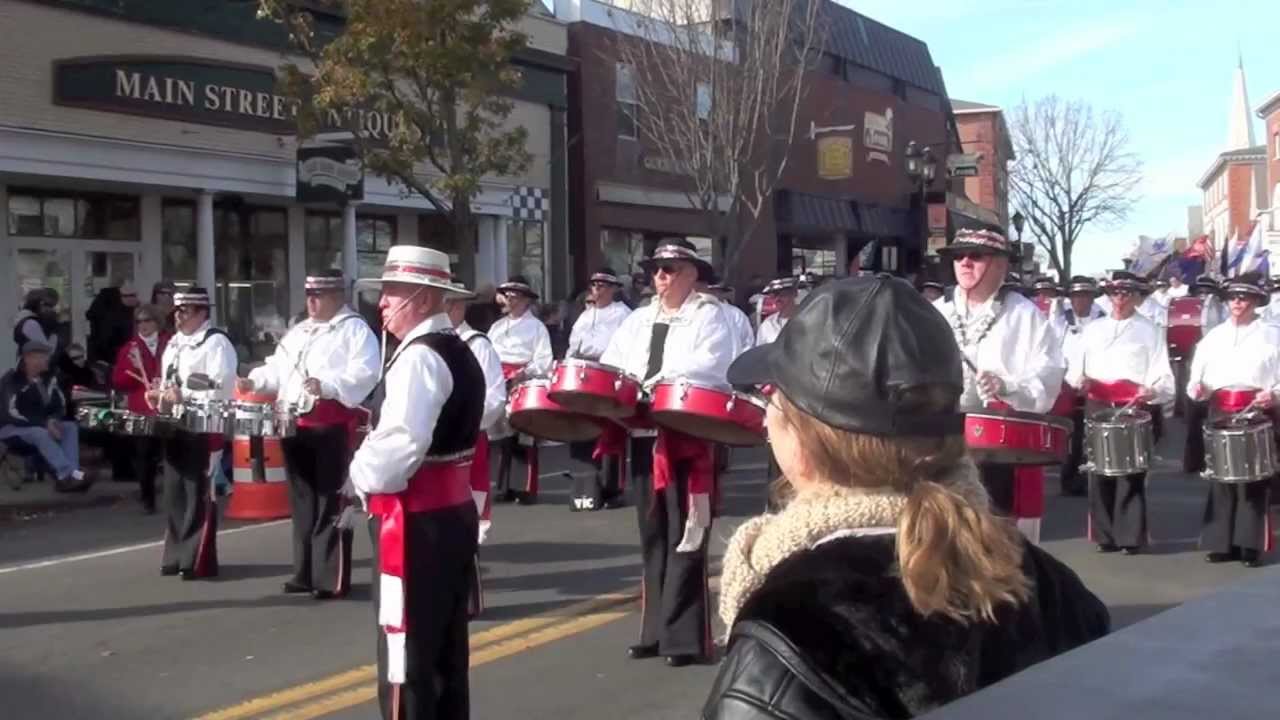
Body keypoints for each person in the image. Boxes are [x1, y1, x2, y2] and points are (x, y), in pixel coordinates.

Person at [702, 275, 1110, 720]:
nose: (766, 421)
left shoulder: (785, 628)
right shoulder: (1052, 586)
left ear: (807, 442)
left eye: (774, 401)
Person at [348, 246, 483, 720]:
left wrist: (359, 473)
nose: (382, 302)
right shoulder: (458, 349)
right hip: (449, 514)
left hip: (416, 520)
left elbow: (401, 444)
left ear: (423, 300)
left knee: (406, 652)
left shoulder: (421, 357)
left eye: (392, 292)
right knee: (444, 650)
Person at [600, 239, 733, 668]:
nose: (660, 276)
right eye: (656, 269)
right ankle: (654, 632)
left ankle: (685, 640)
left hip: (687, 436)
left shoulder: (709, 315)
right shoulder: (638, 319)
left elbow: (712, 365)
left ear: (692, 274)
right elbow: (613, 361)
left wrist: (658, 381)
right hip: (645, 435)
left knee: (687, 534)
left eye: (670, 268)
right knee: (653, 534)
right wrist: (625, 385)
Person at [240, 270, 380, 599]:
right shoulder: (300, 331)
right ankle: (304, 572)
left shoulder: (355, 330)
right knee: (302, 500)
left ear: (337, 297)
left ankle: (330, 577)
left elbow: (366, 373)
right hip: (294, 424)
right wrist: (255, 380)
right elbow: (277, 368)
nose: (312, 302)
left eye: (319, 296)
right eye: (309, 296)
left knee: (330, 499)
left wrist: (327, 386)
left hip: (331, 424)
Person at [933, 229, 1064, 529]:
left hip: (1002, 445)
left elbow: (1049, 372)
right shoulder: (937, 311)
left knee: (999, 528)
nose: (965, 262)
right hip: (945, 442)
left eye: (976, 256)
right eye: (958, 256)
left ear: (1001, 265)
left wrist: (1007, 385)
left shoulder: (1025, 315)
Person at [1067, 272, 1175, 555]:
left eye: (1126, 293)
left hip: (1131, 406)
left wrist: (1152, 389)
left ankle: (1130, 536)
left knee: (1130, 471)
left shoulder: (1150, 330)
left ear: (1137, 297)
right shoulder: (1093, 329)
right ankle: (1105, 535)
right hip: (1098, 403)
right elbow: (1075, 368)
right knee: (1099, 469)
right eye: (1115, 293)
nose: (1120, 298)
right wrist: (1079, 380)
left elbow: (1162, 373)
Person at [1186, 273, 1280, 568]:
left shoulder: (1272, 334)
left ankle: (1250, 545)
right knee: (1221, 477)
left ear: (1255, 301)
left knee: (1254, 479)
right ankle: (1221, 542)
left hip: (1256, 410)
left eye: (1244, 297)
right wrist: (1197, 389)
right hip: (1220, 410)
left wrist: (1274, 394)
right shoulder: (1214, 336)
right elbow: (1196, 377)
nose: (1238, 303)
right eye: (1233, 298)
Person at [153, 288, 237, 580]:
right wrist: (159, 395)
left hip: (203, 426)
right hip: (175, 423)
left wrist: (184, 394)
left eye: (185, 311)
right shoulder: (174, 343)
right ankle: (175, 554)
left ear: (202, 312)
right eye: (176, 311)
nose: (178, 317)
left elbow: (221, 385)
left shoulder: (216, 342)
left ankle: (196, 558)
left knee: (197, 491)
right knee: (174, 490)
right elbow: (169, 381)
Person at [444, 281, 506, 617]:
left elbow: (494, 397)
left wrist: (462, 421)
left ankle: (466, 600)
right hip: (432, 447)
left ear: (457, 307)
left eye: (444, 304)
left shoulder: (477, 345)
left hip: (466, 442)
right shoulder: (429, 342)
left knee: (464, 518)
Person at [566, 269, 633, 511]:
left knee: (611, 432)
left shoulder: (624, 315)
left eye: (603, 285)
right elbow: (573, 347)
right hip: (585, 375)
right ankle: (587, 486)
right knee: (585, 430)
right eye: (594, 284)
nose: (597, 289)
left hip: (608, 373)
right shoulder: (585, 316)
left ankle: (613, 489)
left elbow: (627, 348)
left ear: (614, 288)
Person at [488, 276, 553, 505]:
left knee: (525, 435)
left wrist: (524, 373)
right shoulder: (497, 327)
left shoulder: (536, 327)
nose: (510, 300)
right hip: (500, 380)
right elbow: (488, 354)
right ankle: (504, 486)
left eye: (515, 296)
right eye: (508, 296)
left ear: (526, 300)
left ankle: (525, 488)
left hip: (523, 381)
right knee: (502, 436)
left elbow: (544, 361)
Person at [0, 340, 95, 492]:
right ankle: (65, 475)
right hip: (11, 429)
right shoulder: (12, 379)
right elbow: (11, 413)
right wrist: (44, 424)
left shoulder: (49, 378)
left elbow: (60, 405)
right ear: (29, 358)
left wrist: (53, 419)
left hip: (42, 425)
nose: (47, 359)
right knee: (40, 433)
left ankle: (73, 474)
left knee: (69, 427)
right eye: (43, 355)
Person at [110, 303, 171, 513]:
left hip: (167, 404)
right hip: (142, 407)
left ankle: (176, 497)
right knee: (145, 454)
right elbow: (118, 380)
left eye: (147, 320)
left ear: (157, 322)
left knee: (173, 452)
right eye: (139, 322)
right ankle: (148, 498)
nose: (143, 325)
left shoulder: (171, 343)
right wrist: (134, 372)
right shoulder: (129, 348)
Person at [1057, 276, 1107, 496]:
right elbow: (1053, 351)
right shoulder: (1060, 321)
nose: (1080, 301)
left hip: (1096, 385)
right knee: (1071, 436)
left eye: (1085, 296)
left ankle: (1092, 479)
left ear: (1092, 298)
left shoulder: (1103, 321)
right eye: (1076, 296)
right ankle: (1069, 478)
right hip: (1068, 384)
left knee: (1093, 434)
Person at [13, 288, 60, 358]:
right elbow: (48, 351)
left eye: (52, 306)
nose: (50, 309)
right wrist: (54, 333)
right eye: (47, 305)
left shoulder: (27, 318)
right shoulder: (30, 323)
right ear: (39, 303)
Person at [755, 278, 799, 346]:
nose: (777, 299)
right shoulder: (767, 325)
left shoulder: (808, 319)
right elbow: (760, 351)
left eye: (782, 294)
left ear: (794, 293)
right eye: (774, 295)